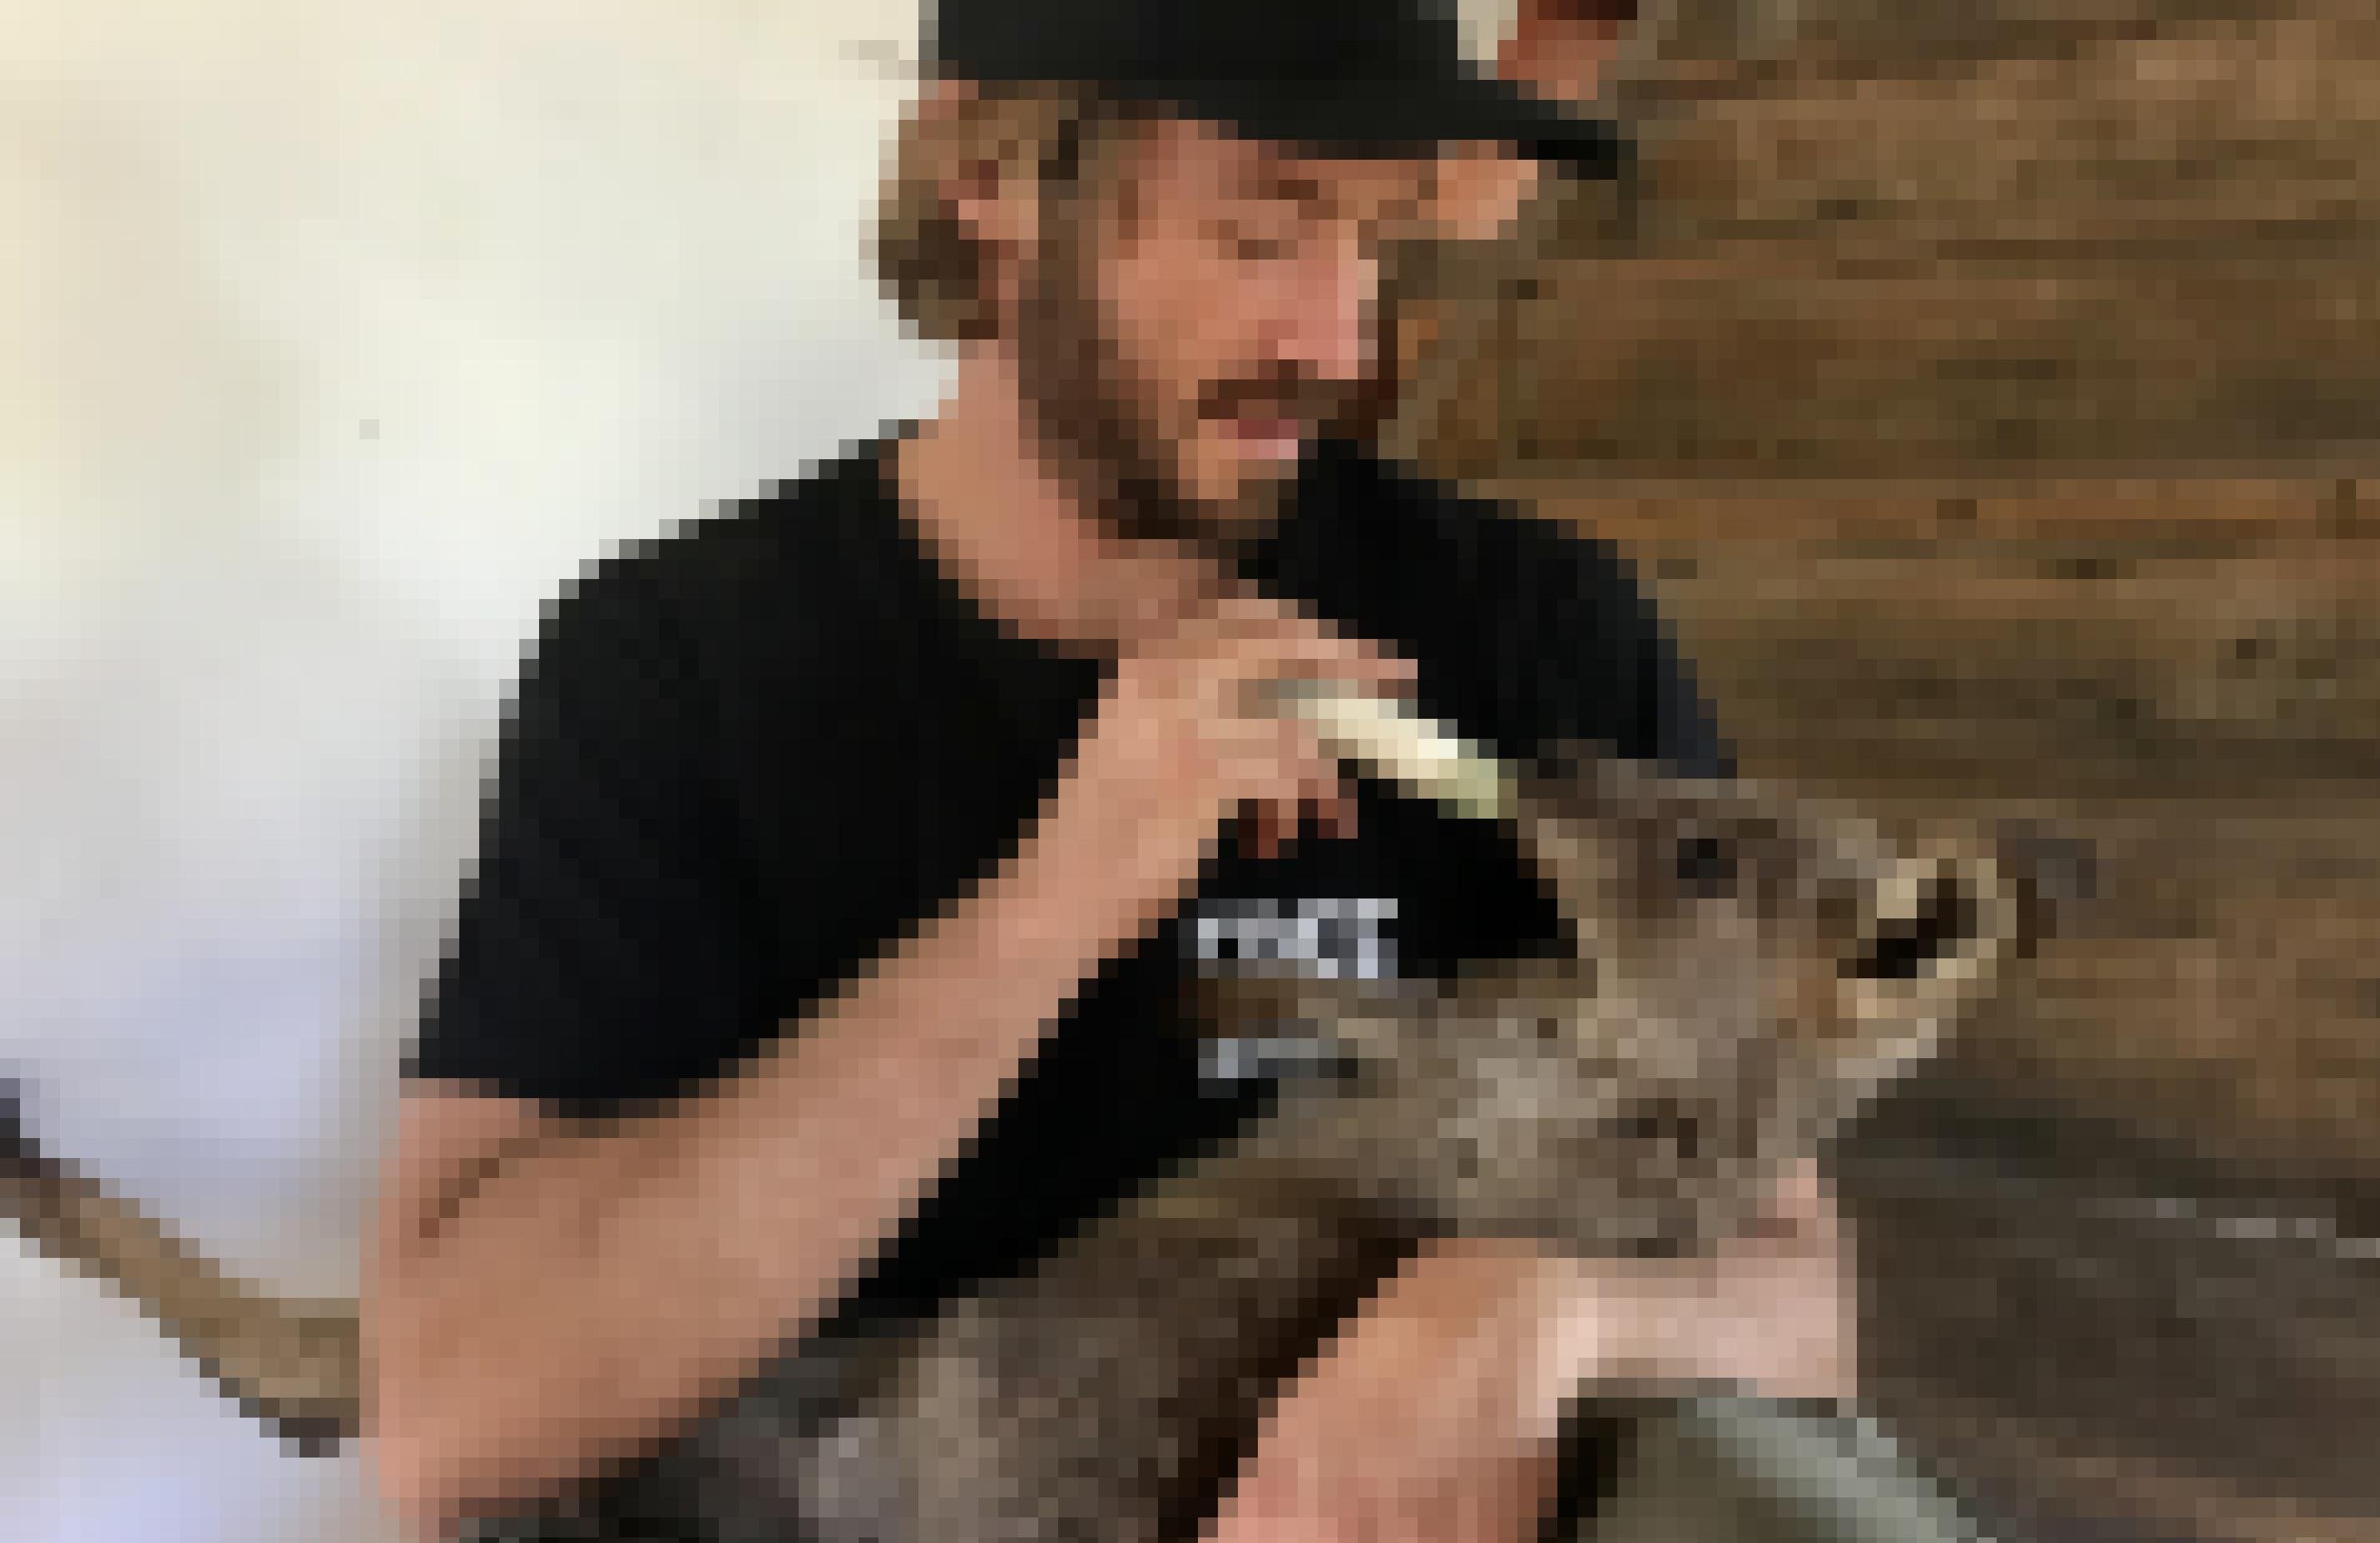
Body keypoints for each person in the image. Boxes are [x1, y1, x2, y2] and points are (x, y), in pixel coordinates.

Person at [362, 3, 1856, 1541]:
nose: (1340, 344)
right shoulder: (680, 664)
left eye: (1381, 238)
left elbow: (1798, 1292)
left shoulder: (1545, 636)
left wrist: (1546, 1320)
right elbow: (452, 1410)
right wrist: (1062, 893)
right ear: (987, 172)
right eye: (1263, 232)